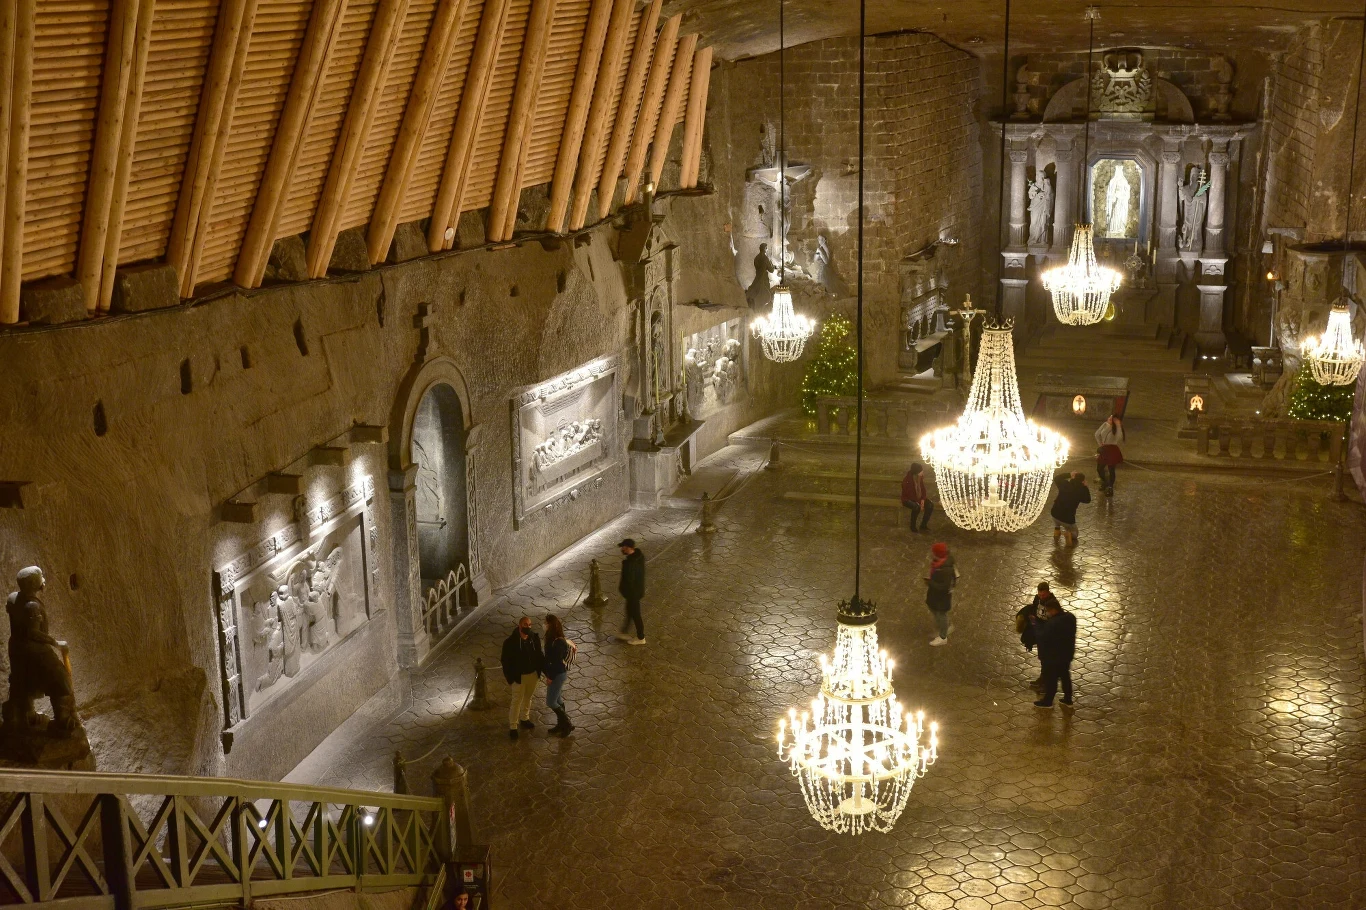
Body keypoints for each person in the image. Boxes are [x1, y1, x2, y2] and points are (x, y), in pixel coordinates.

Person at [500, 616, 543, 740]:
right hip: (519, 677)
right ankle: (513, 726)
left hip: (533, 675)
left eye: (530, 625)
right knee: (516, 701)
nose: (528, 627)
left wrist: (541, 670)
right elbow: (505, 661)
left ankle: (525, 718)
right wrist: (510, 678)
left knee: (528, 698)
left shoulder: (534, 638)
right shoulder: (510, 642)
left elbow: (539, 654)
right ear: (519, 626)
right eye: (525, 624)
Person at [1016, 583, 1061, 691]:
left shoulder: (1053, 604)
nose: (1042, 597)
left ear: (1048, 593)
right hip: (1040, 632)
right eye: (1040, 595)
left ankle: (1047, 683)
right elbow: (1035, 609)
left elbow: (1057, 620)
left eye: (1044, 595)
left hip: (1049, 635)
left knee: (1048, 659)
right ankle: (1043, 679)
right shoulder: (1037, 599)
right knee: (1043, 658)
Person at [1033, 598, 1077, 708]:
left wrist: (1036, 625)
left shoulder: (1052, 623)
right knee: (1065, 676)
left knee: (1051, 678)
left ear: (1053, 610)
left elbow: (1042, 637)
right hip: (1067, 654)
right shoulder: (1070, 617)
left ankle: (1048, 701)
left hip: (1053, 656)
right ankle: (1068, 699)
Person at [542, 614, 577, 737]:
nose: (544, 625)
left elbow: (556, 662)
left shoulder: (558, 642)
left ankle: (567, 724)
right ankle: (561, 724)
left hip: (557, 674)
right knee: (557, 699)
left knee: (551, 702)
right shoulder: (552, 639)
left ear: (550, 625)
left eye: (545, 623)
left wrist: (550, 677)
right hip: (557, 673)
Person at [924, 542, 957, 646]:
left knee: (940, 614)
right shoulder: (939, 562)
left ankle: (943, 637)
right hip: (936, 595)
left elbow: (944, 586)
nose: (932, 554)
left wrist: (930, 583)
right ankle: (946, 626)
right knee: (934, 609)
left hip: (941, 597)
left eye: (934, 552)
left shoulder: (945, 569)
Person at [616, 539, 646, 645]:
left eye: (623, 547)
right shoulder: (639, 557)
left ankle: (641, 637)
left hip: (633, 593)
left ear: (629, 548)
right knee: (629, 611)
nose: (622, 549)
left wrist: (624, 590)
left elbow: (629, 580)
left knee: (636, 614)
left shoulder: (629, 563)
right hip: (635, 592)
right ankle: (624, 632)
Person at [1049, 472, 1091, 546]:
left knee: (1057, 518)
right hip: (1067, 519)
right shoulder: (1081, 490)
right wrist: (1085, 487)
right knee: (1075, 534)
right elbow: (1088, 500)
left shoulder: (1065, 484)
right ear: (1082, 481)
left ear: (1072, 478)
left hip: (1054, 513)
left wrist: (1069, 474)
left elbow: (1057, 478)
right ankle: (1068, 533)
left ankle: (1057, 529)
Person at [1094, 415, 1125, 496]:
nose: (1109, 419)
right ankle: (1105, 482)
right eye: (1109, 417)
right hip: (1104, 449)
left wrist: (1118, 426)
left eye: (1112, 419)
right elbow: (1097, 434)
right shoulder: (1105, 425)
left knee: (1111, 470)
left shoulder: (1116, 428)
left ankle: (1110, 487)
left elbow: (1119, 438)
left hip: (1112, 449)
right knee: (1099, 468)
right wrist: (1100, 445)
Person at [900, 464, 935, 532]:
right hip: (907, 499)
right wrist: (920, 503)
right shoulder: (907, 480)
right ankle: (912, 526)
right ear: (917, 472)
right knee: (916, 507)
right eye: (921, 471)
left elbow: (923, 490)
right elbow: (909, 495)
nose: (922, 472)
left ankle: (923, 525)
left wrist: (923, 499)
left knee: (930, 505)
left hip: (918, 498)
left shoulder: (919, 478)